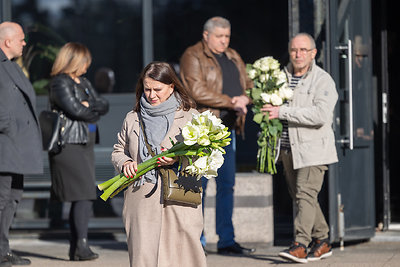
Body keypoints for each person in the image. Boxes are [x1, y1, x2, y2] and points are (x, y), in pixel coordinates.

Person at [111, 61, 206, 267]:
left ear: (172, 87)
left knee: (182, 257)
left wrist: (178, 158)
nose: (152, 95)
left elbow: (204, 155)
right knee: (144, 257)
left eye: (158, 90)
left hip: (179, 195)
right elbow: (118, 150)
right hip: (141, 196)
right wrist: (125, 161)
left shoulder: (190, 116)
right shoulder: (132, 117)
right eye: (147, 89)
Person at [179, 16, 255, 255]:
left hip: (229, 129)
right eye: (219, 37)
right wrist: (232, 101)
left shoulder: (233, 56)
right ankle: (196, 241)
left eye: (227, 36)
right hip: (204, 128)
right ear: (206, 35)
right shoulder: (193, 55)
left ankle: (226, 240)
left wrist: (247, 98)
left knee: (227, 185)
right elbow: (196, 90)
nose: (224, 41)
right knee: (198, 185)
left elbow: (249, 85)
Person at [262, 33, 338, 263]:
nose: (298, 54)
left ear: (313, 53)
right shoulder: (279, 78)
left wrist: (282, 112)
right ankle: (323, 240)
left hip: (313, 150)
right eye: (294, 50)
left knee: (305, 194)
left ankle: (300, 245)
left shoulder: (323, 80)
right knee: (302, 198)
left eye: (303, 50)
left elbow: (321, 115)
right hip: (286, 149)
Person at [48, 42, 109, 261]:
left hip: (86, 142)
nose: (87, 66)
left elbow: (104, 105)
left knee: (83, 195)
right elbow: (75, 110)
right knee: (83, 194)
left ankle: (78, 247)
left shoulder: (83, 82)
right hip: (69, 145)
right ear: (73, 60)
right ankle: (80, 246)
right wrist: (88, 108)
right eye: (85, 61)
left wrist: (88, 105)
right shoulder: (59, 83)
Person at [0, 21, 43, 267]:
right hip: (4, 144)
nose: (24, 43)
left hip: (15, 147)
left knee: (13, 197)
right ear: (7, 41)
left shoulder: (11, 66)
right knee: (2, 198)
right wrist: (6, 124)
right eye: (21, 39)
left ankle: (3, 250)